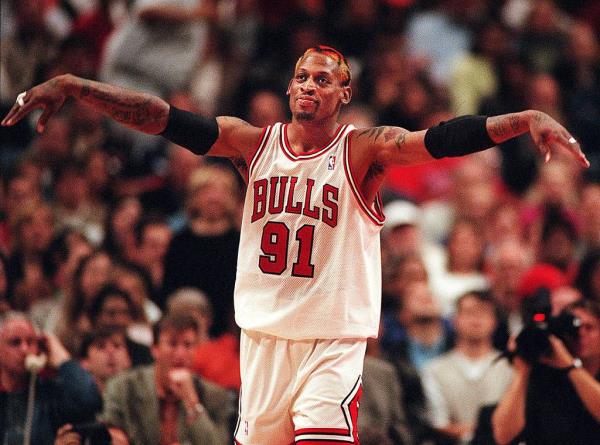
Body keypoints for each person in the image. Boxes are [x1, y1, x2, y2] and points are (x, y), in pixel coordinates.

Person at [1, 44, 589, 445]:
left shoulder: (364, 150)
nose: (310, 85)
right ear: (289, 86)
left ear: (344, 94)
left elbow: (439, 138)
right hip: (262, 340)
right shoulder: (250, 143)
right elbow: (164, 117)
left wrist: (522, 118)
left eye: (324, 79)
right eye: (303, 76)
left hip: (330, 340)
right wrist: (78, 86)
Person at [101, 312, 232, 444]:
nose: (180, 354)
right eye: (172, 344)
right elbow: (109, 434)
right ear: (155, 349)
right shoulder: (123, 387)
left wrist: (192, 403)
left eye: (187, 345)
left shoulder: (214, 396)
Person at [492, 298, 600, 445]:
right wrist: (522, 370)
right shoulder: (544, 375)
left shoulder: (570, 367)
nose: (580, 334)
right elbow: (503, 436)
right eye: (574, 328)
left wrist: (570, 366)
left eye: (589, 327)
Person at [421, 291, 512, 444]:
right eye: (469, 312)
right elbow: (439, 422)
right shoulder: (434, 369)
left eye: (482, 313)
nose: (476, 319)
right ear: (455, 320)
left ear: (494, 321)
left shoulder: (510, 369)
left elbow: (513, 419)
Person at [0, 312, 102, 445]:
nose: (25, 349)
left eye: (31, 342)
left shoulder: (51, 394)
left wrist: (63, 359)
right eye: (15, 342)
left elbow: (89, 400)